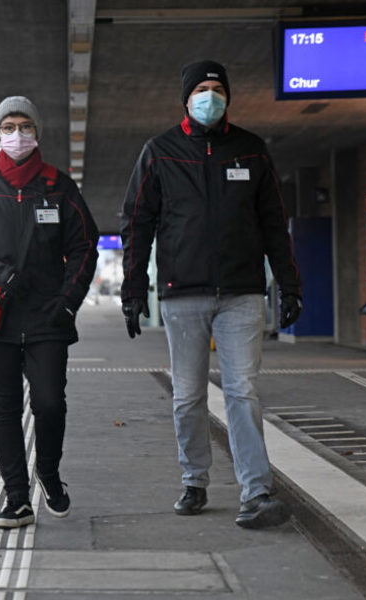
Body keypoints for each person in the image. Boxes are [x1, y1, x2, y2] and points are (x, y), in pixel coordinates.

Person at [119, 60, 302, 529]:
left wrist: (289, 282)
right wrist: (134, 286)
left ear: (228, 96)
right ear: (185, 97)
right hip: (182, 295)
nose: (209, 95)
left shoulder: (251, 150)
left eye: (217, 88)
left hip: (242, 293)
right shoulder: (159, 152)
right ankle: (194, 479)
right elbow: (137, 222)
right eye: (200, 88)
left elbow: (273, 225)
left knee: (243, 391)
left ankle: (256, 493)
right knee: (187, 396)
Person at [0, 96, 98, 529]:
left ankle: (48, 473)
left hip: (49, 318)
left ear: (36, 133)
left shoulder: (59, 187)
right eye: (8, 126)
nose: (17, 134)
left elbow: (85, 245)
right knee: (5, 408)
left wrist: (67, 301)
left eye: (24, 125)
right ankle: (17, 498)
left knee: (50, 403)